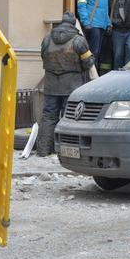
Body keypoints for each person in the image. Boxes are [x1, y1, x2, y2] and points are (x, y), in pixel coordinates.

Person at [37, 12, 94, 157]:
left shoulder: (47, 39)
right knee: (68, 118)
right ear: (74, 24)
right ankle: (65, 152)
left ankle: (43, 150)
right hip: (72, 87)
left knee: (49, 116)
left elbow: (43, 56)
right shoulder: (79, 41)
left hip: (50, 85)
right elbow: (88, 63)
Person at [76, 0, 112, 68]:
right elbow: (81, 4)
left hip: (101, 24)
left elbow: (104, 7)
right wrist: (86, 22)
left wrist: (108, 23)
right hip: (92, 24)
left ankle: (93, 78)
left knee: (97, 53)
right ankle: (89, 80)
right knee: (92, 53)